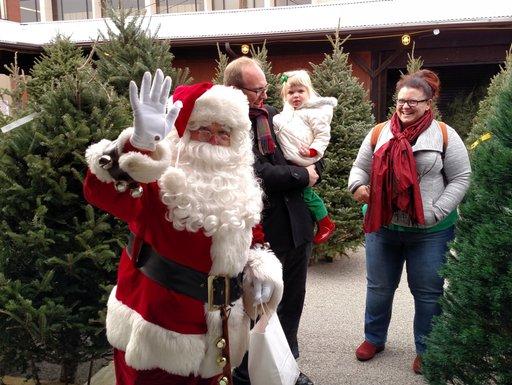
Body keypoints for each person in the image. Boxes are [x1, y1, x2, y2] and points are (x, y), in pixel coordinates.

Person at [83, 70, 285, 385]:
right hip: (158, 333)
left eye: (225, 133)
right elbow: (101, 192)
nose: (216, 140)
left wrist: (260, 264)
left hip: (221, 332)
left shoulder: (239, 182)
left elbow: (251, 236)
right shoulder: (159, 181)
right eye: (204, 129)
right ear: (184, 132)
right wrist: (137, 148)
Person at [348, 69, 471, 374]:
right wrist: (357, 186)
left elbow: (461, 177)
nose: (405, 107)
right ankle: (373, 339)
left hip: (430, 231)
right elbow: (359, 168)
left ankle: (428, 348)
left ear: (429, 103)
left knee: (428, 291)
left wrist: (437, 211)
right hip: (384, 226)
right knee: (379, 287)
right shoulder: (379, 133)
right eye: (402, 100)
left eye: (414, 102)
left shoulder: (444, 134)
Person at [223, 57, 316, 385]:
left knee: (291, 303)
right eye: (257, 89)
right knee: (258, 307)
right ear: (235, 89)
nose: (264, 94)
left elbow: (308, 153)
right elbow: (257, 172)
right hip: (262, 235)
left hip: (296, 227)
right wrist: (301, 175)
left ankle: (287, 367)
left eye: (265, 87)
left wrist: (308, 162)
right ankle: (249, 374)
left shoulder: (273, 116)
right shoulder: (227, 125)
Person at [273, 69, 337, 244]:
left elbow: (323, 135)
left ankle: (325, 222)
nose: (296, 96)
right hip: (290, 162)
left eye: (300, 91)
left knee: (307, 194)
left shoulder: (314, 112)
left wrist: (312, 151)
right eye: (290, 92)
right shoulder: (285, 115)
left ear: (309, 92)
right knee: (301, 195)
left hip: (306, 160)